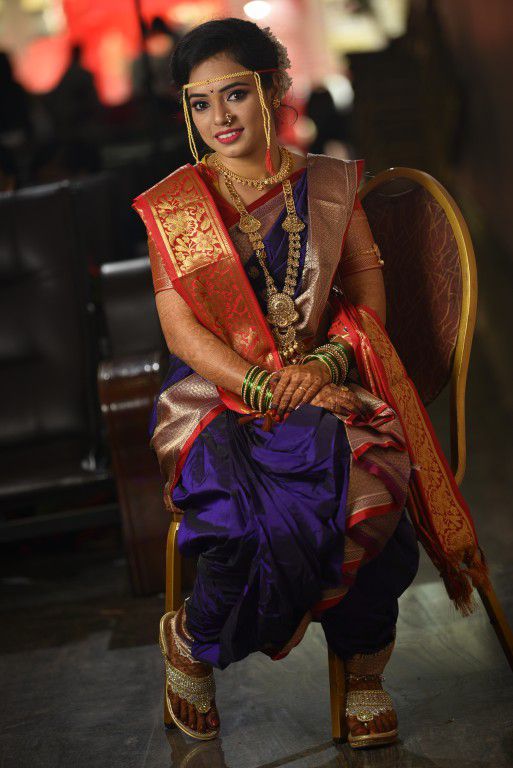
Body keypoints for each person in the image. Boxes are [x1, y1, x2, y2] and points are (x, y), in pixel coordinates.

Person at [133, 18, 488, 747]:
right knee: (240, 517)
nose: (219, 116)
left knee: (371, 488)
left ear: (274, 89)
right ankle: (194, 640)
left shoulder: (327, 184)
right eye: (200, 103)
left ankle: (363, 669)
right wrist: (269, 389)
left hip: (327, 377)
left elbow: (366, 296)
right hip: (215, 398)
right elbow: (183, 334)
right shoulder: (175, 207)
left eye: (234, 94)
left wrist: (322, 368)